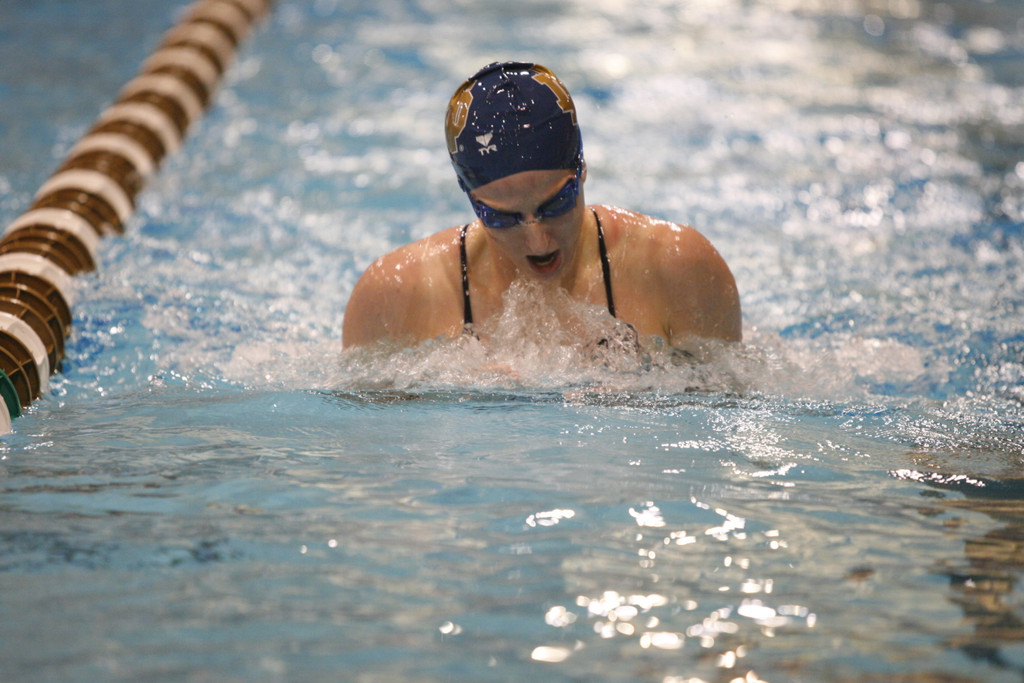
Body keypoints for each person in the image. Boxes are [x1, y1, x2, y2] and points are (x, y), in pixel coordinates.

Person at [342, 62, 741, 353]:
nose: (538, 239)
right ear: (471, 200)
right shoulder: (394, 296)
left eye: (556, 203)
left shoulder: (678, 268)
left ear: (582, 170)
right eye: (503, 217)